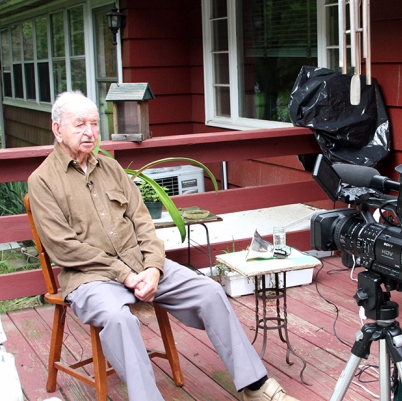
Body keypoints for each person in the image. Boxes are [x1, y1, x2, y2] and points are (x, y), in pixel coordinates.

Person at [28, 91, 298, 401]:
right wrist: (125, 275)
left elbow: (143, 223)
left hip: (141, 264)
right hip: (90, 278)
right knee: (119, 319)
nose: (89, 132)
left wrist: (154, 268)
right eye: (79, 124)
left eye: (93, 123)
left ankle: (255, 385)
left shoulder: (111, 168)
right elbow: (64, 248)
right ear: (57, 129)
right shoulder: (43, 181)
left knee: (208, 292)